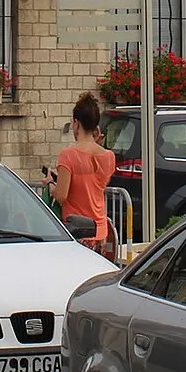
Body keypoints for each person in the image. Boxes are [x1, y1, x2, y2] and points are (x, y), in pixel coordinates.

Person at [46, 92, 116, 254]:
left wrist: (50, 183)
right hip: (100, 230)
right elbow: (94, 186)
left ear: (76, 124)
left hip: (77, 229)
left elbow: (61, 195)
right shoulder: (108, 156)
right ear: (95, 126)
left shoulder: (68, 155)